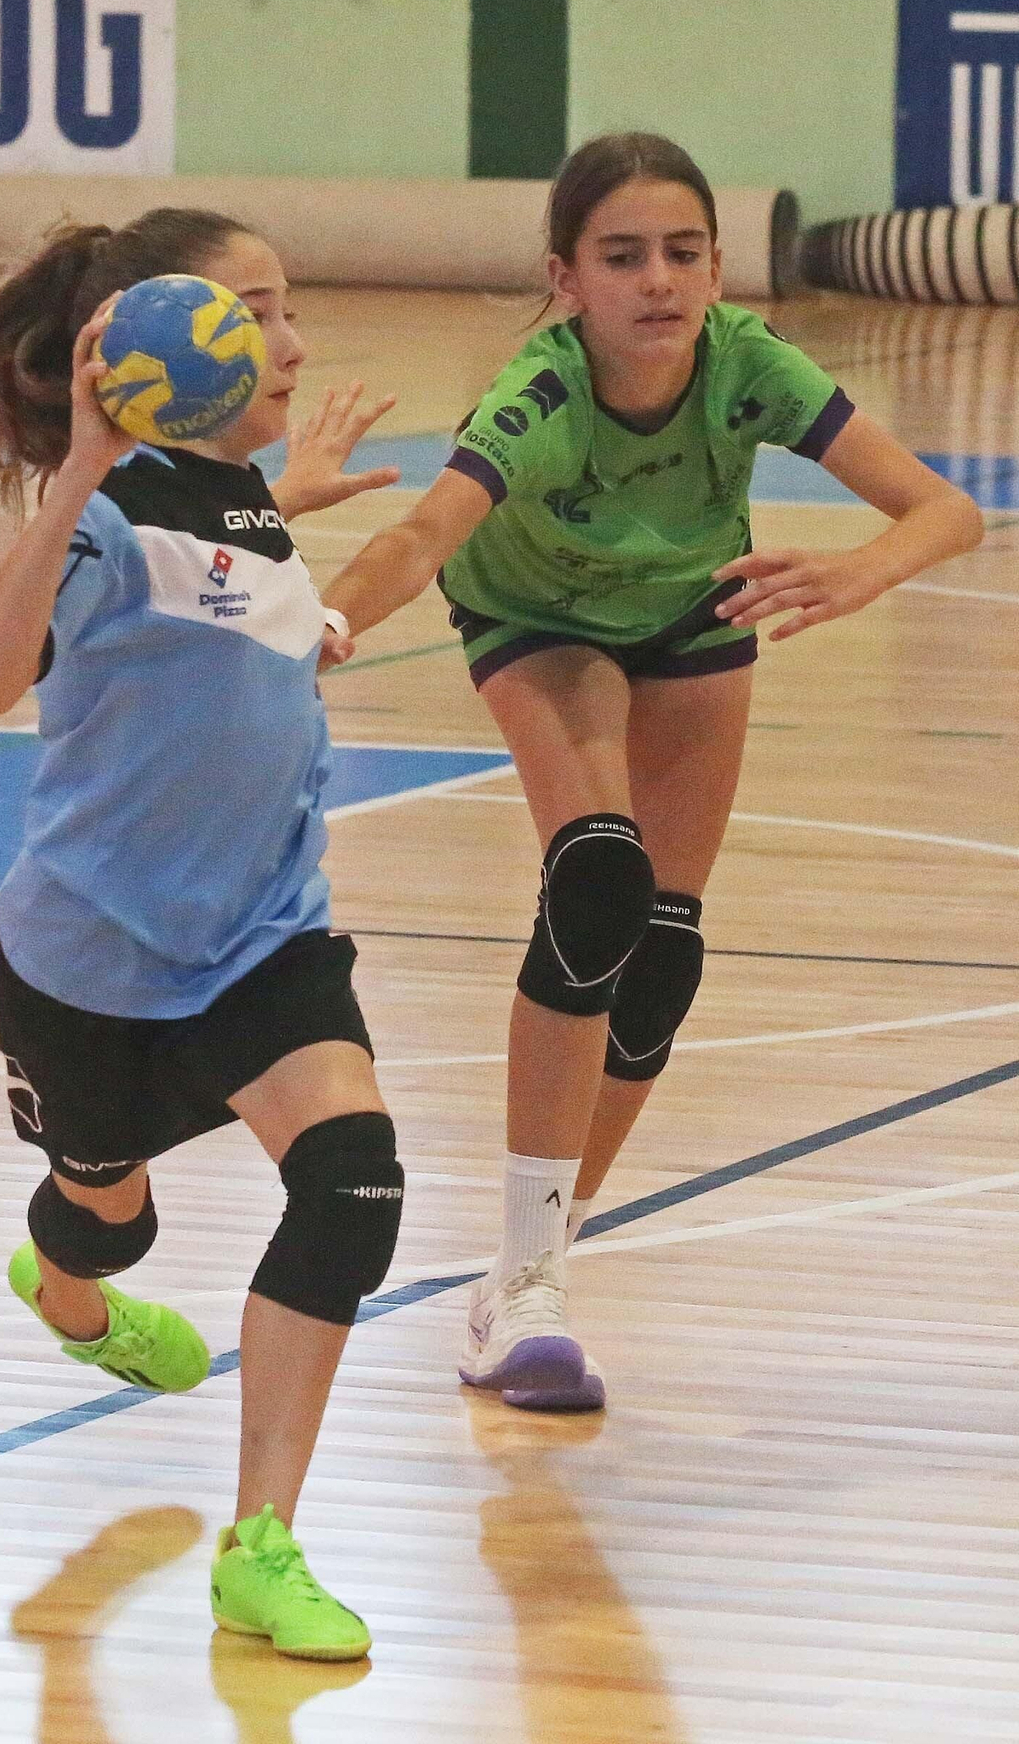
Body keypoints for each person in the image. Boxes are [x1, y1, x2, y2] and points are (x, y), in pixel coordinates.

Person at [318, 132, 983, 1410]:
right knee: (596, 889)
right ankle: (527, 1289)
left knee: (662, 954)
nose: (658, 280)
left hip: (686, 614)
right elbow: (424, 529)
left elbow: (942, 510)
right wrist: (333, 620)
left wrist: (857, 570)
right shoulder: (541, 396)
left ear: (718, 268)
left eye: (683, 252)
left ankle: (527, 1268)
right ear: (565, 279)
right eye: (622, 257)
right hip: (536, 620)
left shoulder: (748, 366)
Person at [0, 208, 406, 1659]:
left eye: (286, 304)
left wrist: (292, 501)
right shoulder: (105, 518)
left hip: (264, 941)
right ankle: (67, 1287)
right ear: (168, 348)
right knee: (109, 1216)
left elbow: (227, 583)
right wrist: (83, 465)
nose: (292, 342)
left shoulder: (234, 497)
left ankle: (260, 1548)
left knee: (352, 1183)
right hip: (92, 967)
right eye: (255, 313)